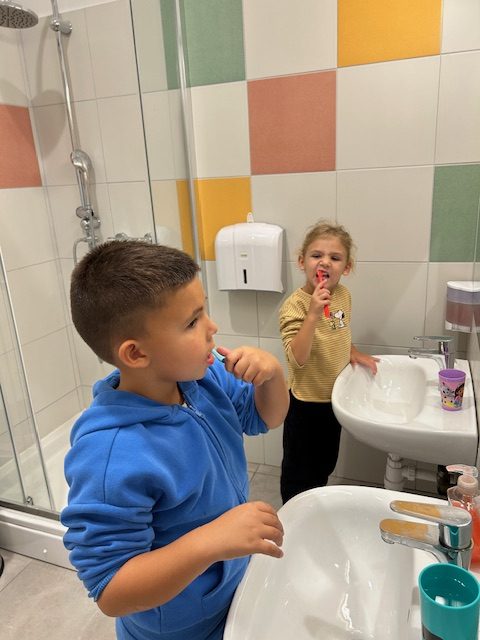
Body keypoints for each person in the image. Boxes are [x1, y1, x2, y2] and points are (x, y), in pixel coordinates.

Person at [61, 240, 289, 640]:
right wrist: (211, 540)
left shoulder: (202, 379)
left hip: (228, 591)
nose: (212, 328)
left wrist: (272, 377)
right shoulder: (112, 453)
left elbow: (265, 417)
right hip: (178, 629)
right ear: (136, 354)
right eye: (192, 322)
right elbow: (112, 591)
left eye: (204, 311)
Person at [279, 221, 378, 503]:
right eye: (316, 255)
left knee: (323, 464)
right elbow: (297, 358)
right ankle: (295, 513)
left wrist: (353, 352)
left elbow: (339, 332)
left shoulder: (343, 295)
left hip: (333, 400)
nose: (325, 262)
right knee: (299, 472)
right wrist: (312, 314)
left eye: (335, 257)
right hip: (305, 404)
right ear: (302, 262)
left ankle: (315, 507)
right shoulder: (295, 305)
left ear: (346, 267)